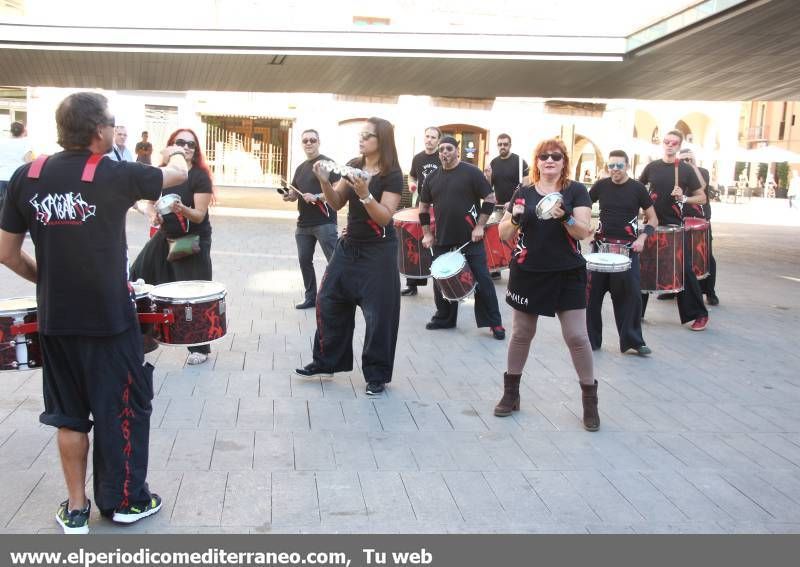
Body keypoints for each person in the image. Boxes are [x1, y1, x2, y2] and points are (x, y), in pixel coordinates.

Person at [0, 91, 188, 533]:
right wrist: (177, 152)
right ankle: (124, 502)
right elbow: (177, 175)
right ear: (99, 130)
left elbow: (6, 253)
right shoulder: (115, 174)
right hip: (109, 320)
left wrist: (45, 282)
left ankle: (76, 507)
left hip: (57, 320)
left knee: (68, 414)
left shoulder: (27, 176)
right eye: (111, 123)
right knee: (120, 409)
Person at [495, 138, 599, 430]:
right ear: (537, 161)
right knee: (521, 333)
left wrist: (565, 216)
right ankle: (511, 393)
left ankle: (590, 401)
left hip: (568, 272)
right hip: (529, 270)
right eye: (544, 156)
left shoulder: (576, 190)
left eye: (556, 156)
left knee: (577, 336)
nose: (549, 160)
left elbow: (582, 232)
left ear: (564, 161)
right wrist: (514, 220)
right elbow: (503, 233)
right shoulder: (523, 190)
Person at [294, 117, 402, 396]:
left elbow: (385, 218)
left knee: (378, 314)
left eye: (368, 136)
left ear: (382, 141)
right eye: (361, 135)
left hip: (378, 251)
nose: (362, 139)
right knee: (328, 298)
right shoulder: (353, 165)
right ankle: (327, 361)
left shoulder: (392, 173)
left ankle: (376, 374)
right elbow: (337, 202)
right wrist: (323, 181)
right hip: (349, 245)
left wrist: (365, 194)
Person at [130, 128, 215, 365]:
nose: (186, 147)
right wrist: (152, 214)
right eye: (181, 143)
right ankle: (142, 335)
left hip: (192, 238)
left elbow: (198, 215)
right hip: (166, 235)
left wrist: (181, 208)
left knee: (192, 292)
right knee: (138, 277)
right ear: (170, 146)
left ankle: (199, 346)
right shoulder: (164, 174)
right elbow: (149, 203)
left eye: (191, 144)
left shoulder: (199, 176)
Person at [419, 136, 505, 340]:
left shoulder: (472, 172)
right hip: (443, 237)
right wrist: (427, 233)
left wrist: (480, 226)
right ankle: (445, 318)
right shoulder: (432, 178)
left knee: (483, 280)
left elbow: (490, 198)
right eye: (441, 149)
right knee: (441, 279)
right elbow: (423, 207)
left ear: (457, 151)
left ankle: (495, 323)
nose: (444, 152)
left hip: (471, 238)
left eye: (448, 148)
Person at [587, 150, 658, 355]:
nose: (615, 170)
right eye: (611, 166)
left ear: (627, 166)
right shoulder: (600, 185)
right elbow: (583, 206)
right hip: (601, 247)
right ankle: (591, 340)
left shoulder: (637, 188)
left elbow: (653, 218)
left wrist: (643, 238)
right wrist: (587, 225)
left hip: (628, 249)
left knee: (631, 296)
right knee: (591, 296)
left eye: (619, 166)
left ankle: (633, 341)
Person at [639, 130, 709, 330]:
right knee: (644, 269)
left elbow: (702, 197)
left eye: (674, 143)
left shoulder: (685, 170)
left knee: (684, 271)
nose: (669, 145)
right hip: (651, 225)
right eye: (667, 142)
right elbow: (637, 188)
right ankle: (636, 313)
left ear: (679, 146)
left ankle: (699, 314)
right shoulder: (651, 167)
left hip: (674, 227)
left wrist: (684, 198)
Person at [283, 129, 339, 309]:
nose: (308, 143)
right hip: (304, 224)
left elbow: (338, 190)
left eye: (312, 140)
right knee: (304, 260)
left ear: (319, 142)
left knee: (335, 260)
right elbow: (295, 193)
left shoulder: (328, 163)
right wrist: (290, 195)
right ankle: (310, 297)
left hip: (324, 221)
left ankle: (339, 296)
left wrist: (317, 197)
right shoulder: (301, 168)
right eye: (305, 140)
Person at [401, 126, 441, 296]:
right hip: (421, 204)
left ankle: (446, 282)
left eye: (433, 137)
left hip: (440, 204)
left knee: (440, 242)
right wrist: (411, 183)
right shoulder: (417, 158)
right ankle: (412, 284)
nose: (429, 139)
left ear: (438, 140)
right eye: (427, 136)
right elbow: (412, 176)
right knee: (415, 241)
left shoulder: (442, 156)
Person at [484, 133, 530, 279]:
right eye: (500, 144)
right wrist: (488, 176)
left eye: (505, 144)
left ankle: (518, 265)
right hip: (498, 207)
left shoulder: (520, 161)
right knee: (497, 237)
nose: (502, 146)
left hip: (516, 206)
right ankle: (496, 267)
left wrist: (512, 202)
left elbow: (526, 185)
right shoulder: (493, 163)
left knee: (517, 236)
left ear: (510, 145)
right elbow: (488, 187)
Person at [678, 148, 719, 306]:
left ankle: (710, 292)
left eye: (689, 159)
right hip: (682, 219)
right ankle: (675, 289)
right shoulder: (676, 174)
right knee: (679, 255)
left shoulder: (702, 171)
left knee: (707, 256)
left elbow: (702, 188)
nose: (686, 162)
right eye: (683, 160)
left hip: (700, 219)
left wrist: (693, 166)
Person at [0, 121, 34, 212]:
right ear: (23, 132)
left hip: (2, 177)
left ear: (10, 131)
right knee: (17, 206)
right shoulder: (25, 144)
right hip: (18, 178)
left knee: (3, 205)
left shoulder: (2, 143)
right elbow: (29, 163)